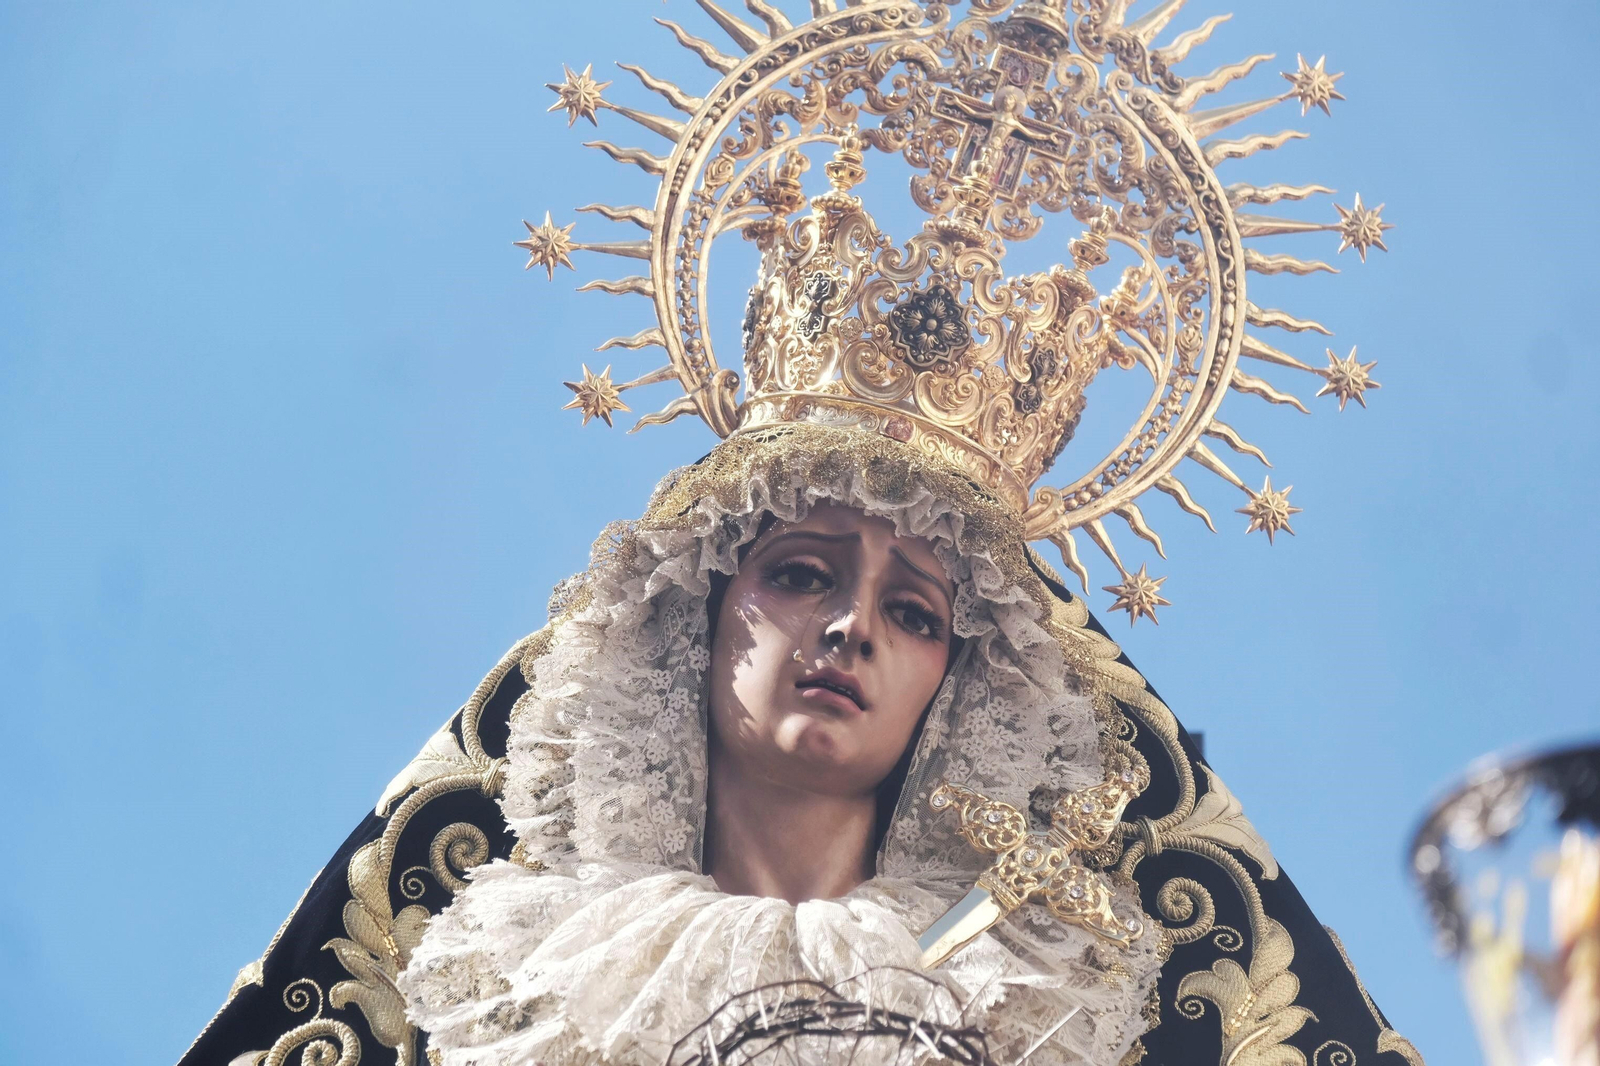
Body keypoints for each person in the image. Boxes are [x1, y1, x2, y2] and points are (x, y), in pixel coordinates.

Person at [178, 3, 1423, 1065]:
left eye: (913, 611)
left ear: (961, 682)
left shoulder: (1040, 996)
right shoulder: (517, 970)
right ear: (695, 609)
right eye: (801, 572)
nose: (848, 627)